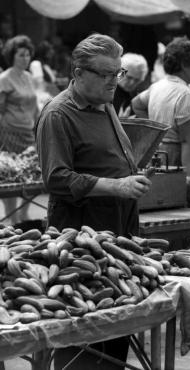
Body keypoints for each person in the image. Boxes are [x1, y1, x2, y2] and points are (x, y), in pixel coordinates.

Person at [35, 33, 152, 370]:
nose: (113, 81)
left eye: (117, 73)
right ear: (78, 73)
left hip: (118, 236)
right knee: (83, 332)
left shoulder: (105, 104)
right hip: (80, 240)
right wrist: (116, 186)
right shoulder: (59, 114)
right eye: (104, 74)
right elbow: (56, 178)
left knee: (115, 332)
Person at [132, 37, 190, 176]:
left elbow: (137, 103)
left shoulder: (158, 86)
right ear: (184, 65)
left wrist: (154, 130)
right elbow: (186, 141)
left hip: (162, 151)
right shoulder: (184, 94)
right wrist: (189, 179)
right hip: (183, 155)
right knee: (184, 195)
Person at [0, 35, 38, 225]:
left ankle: (23, 216)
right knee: (10, 178)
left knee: (29, 176)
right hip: (9, 133)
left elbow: (35, 106)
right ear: (11, 56)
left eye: (27, 55)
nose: (25, 59)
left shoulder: (29, 77)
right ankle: (11, 218)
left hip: (27, 132)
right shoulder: (4, 79)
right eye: (21, 55)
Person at [113, 52, 148, 117]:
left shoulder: (137, 99)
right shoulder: (107, 92)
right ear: (120, 73)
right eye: (129, 77)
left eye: (137, 80)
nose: (132, 83)